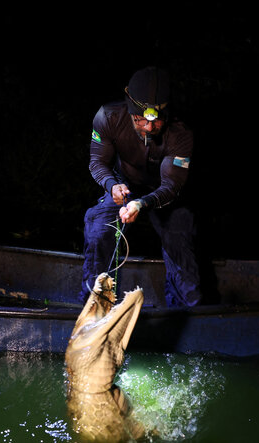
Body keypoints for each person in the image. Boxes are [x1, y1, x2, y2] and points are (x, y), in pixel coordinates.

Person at [81, 67, 202, 307]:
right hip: (122, 184)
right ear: (130, 111)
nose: (148, 128)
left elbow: (171, 184)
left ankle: (187, 312)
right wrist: (112, 186)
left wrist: (142, 202)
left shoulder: (181, 133)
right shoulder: (108, 116)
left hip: (164, 192)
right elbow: (97, 162)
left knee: (178, 236)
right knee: (98, 228)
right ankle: (96, 305)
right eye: (140, 121)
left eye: (156, 122)